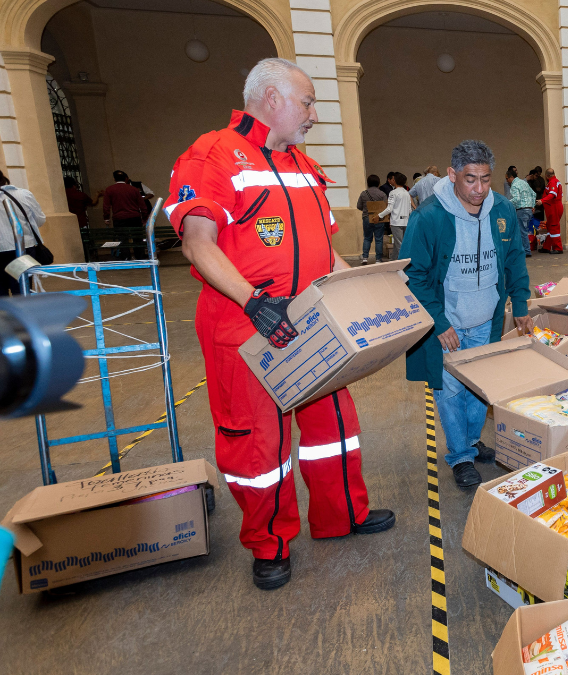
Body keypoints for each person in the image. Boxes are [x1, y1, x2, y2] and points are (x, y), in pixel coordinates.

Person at [167, 57, 394, 590]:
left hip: (314, 325)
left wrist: (360, 290)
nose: (314, 113)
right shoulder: (213, 156)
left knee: (332, 430)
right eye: (308, 101)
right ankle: (269, 542)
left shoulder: (303, 166)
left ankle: (342, 516)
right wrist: (254, 302)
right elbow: (197, 244)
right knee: (258, 444)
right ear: (270, 98)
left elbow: (326, 250)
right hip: (245, 326)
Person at [401, 140, 532, 489]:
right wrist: (439, 322)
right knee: (450, 391)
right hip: (450, 323)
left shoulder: (501, 210)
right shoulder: (428, 216)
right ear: (452, 175)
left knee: (480, 389)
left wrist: (519, 304)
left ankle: (471, 441)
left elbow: (514, 258)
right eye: (470, 179)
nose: (479, 189)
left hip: (486, 319)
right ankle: (460, 455)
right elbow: (412, 274)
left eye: (486, 179)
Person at [0, 171, 46, 296]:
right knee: (21, 290)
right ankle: (21, 315)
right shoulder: (23, 194)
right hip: (23, 250)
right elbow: (40, 220)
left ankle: (4, 316)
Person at [356, 174, 388, 264]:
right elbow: (386, 206)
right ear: (378, 183)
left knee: (367, 238)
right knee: (379, 238)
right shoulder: (382, 194)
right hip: (379, 218)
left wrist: (367, 210)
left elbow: (359, 206)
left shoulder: (363, 193)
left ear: (368, 183)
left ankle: (365, 257)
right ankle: (378, 259)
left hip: (367, 217)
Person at [380, 172, 412, 260]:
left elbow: (389, 208)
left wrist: (379, 215)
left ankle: (402, 264)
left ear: (395, 180)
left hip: (396, 222)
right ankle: (393, 262)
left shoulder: (393, 193)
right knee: (401, 244)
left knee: (399, 245)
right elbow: (409, 209)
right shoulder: (406, 193)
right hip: (406, 221)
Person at [506, 165, 536, 257]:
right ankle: (524, 249)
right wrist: (532, 205)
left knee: (522, 231)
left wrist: (506, 203)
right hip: (528, 210)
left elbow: (516, 199)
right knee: (524, 230)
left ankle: (526, 251)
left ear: (511, 177)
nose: (507, 181)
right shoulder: (524, 183)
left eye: (507, 178)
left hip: (521, 210)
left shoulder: (514, 185)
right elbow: (533, 194)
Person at [538, 168, 564, 254]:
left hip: (554, 208)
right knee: (550, 227)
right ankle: (547, 247)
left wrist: (542, 201)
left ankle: (558, 248)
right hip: (553, 207)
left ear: (547, 175)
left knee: (554, 227)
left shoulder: (552, 182)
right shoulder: (555, 182)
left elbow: (552, 194)